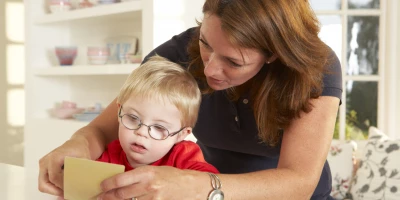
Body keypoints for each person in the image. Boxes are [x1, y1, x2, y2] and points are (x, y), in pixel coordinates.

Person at [39, 0, 342, 199]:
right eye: (205, 43)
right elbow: (106, 127)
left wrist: (198, 187)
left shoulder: (315, 69)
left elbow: (299, 182)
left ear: (273, 55)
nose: (209, 68)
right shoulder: (177, 54)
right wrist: (75, 144)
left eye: (233, 62)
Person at [95, 55, 218, 174]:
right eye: (133, 118)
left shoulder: (184, 156)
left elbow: (209, 183)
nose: (141, 132)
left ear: (181, 134)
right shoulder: (111, 154)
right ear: (119, 111)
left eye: (159, 127)